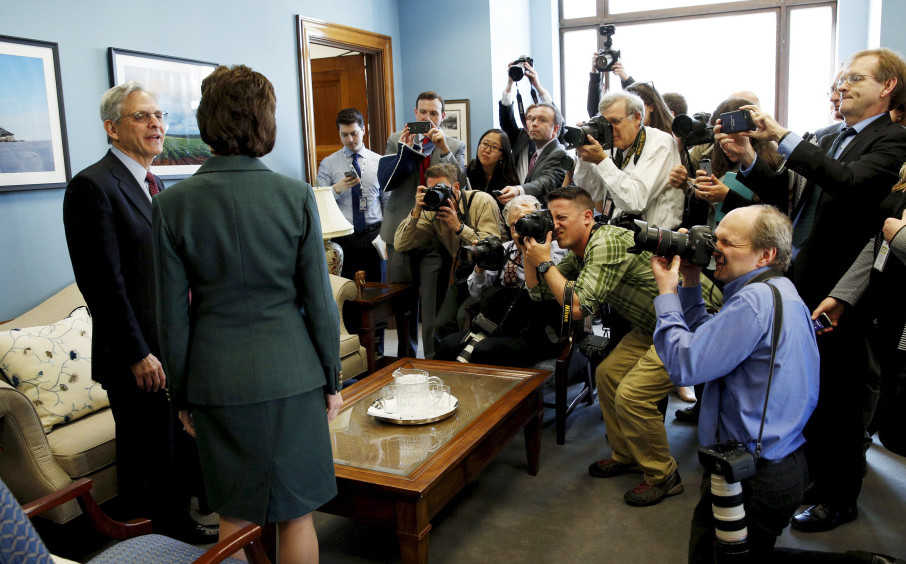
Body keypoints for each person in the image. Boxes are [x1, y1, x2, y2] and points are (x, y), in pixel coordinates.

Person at [153, 65, 342, 562]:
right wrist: (332, 379)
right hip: (294, 372)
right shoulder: (296, 196)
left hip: (217, 379)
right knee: (297, 513)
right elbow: (320, 303)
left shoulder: (172, 205)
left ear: (206, 119)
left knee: (234, 515)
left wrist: (182, 394)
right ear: (266, 121)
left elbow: (171, 317)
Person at [731, 48, 906, 532]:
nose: (841, 86)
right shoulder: (831, 136)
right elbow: (786, 194)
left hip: (851, 288)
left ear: (887, 85)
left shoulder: (895, 141)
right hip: (806, 278)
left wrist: (784, 137)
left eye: (854, 78)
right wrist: (749, 153)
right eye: (839, 78)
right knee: (809, 386)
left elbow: (849, 184)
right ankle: (817, 475)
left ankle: (840, 496)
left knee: (844, 397)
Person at [62, 82, 217, 543]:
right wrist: (136, 353)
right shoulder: (93, 186)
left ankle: (176, 525)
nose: (156, 124)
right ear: (111, 128)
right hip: (135, 354)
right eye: (142, 116)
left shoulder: (155, 182)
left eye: (160, 115)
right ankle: (154, 540)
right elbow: (102, 285)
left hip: (169, 343)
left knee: (173, 444)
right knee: (149, 451)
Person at [521, 186, 719, 506]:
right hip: (654, 324)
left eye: (561, 217)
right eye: (550, 217)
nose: (554, 225)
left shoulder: (606, 241)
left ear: (587, 217)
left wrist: (545, 263)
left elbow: (578, 306)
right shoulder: (581, 251)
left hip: (691, 322)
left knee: (634, 393)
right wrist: (529, 254)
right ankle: (626, 454)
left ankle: (663, 475)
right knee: (608, 374)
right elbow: (541, 295)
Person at [651, 205, 819, 562]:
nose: (715, 249)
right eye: (716, 238)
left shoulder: (754, 301)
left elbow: (685, 365)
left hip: (752, 477)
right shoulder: (777, 290)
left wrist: (667, 294)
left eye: (728, 242)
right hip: (778, 464)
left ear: (766, 254)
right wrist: (692, 282)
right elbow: (706, 348)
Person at [814, 163, 906, 457]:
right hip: (887, 312)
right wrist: (843, 296)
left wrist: (901, 237)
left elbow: (894, 236)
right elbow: (880, 242)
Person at [378, 91, 467, 359]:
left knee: (432, 309)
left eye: (433, 113)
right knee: (403, 306)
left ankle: (433, 362)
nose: (427, 118)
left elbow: (463, 185)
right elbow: (386, 182)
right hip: (401, 233)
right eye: (422, 113)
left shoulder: (454, 145)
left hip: (435, 235)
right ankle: (404, 362)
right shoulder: (397, 140)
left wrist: (444, 150)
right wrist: (406, 151)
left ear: (442, 117)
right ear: (415, 113)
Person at [435, 195, 566, 365]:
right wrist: (480, 266)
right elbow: (476, 293)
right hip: (498, 325)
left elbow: (552, 291)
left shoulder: (557, 249)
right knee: (448, 345)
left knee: (485, 351)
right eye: (515, 225)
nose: (522, 228)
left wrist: (533, 253)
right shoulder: (503, 250)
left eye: (528, 220)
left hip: (535, 330)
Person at [394, 163, 502, 346]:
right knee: (441, 324)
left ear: (456, 187)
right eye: (432, 189)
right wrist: (416, 211)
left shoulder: (482, 201)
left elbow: (490, 251)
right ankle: (448, 365)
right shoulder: (432, 212)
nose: (437, 194)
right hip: (463, 274)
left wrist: (459, 228)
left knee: (462, 318)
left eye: (442, 189)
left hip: (491, 274)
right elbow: (400, 244)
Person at [573, 90, 684, 230]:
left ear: (637, 118)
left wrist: (601, 161)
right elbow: (591, 193)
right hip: (615, 231)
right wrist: (584, 156)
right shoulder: (609, 144)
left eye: (614, 122)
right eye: (605, 123)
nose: (609, 129)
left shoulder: (660, 143)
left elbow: (635, 202)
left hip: (650, 241)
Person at [316, 107, 387, 281]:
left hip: (374, 236)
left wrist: (386, 235)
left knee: (377, 290)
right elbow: (318, 202)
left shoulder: (380, 162)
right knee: (346, 291)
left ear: (363, 130)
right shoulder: (328, 164)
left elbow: (388, 202)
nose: (350, 139)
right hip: (343, 237)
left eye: (354, 133)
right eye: (344, 135)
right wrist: (336, 189)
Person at [498, 61, 569, 204]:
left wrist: (519, 190)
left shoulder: (558, 152)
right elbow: (506, 121)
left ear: (555, 129)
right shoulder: (524, 140)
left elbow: (546, 181)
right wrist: (510, 82)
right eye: (531, 119)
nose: (534, 123)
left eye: (542, 120)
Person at [465, 128, 518, 197]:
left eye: (494, 147)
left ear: (502, 155)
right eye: (485, 143)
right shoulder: (472, 167)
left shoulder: (508, 183)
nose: (487, 150)